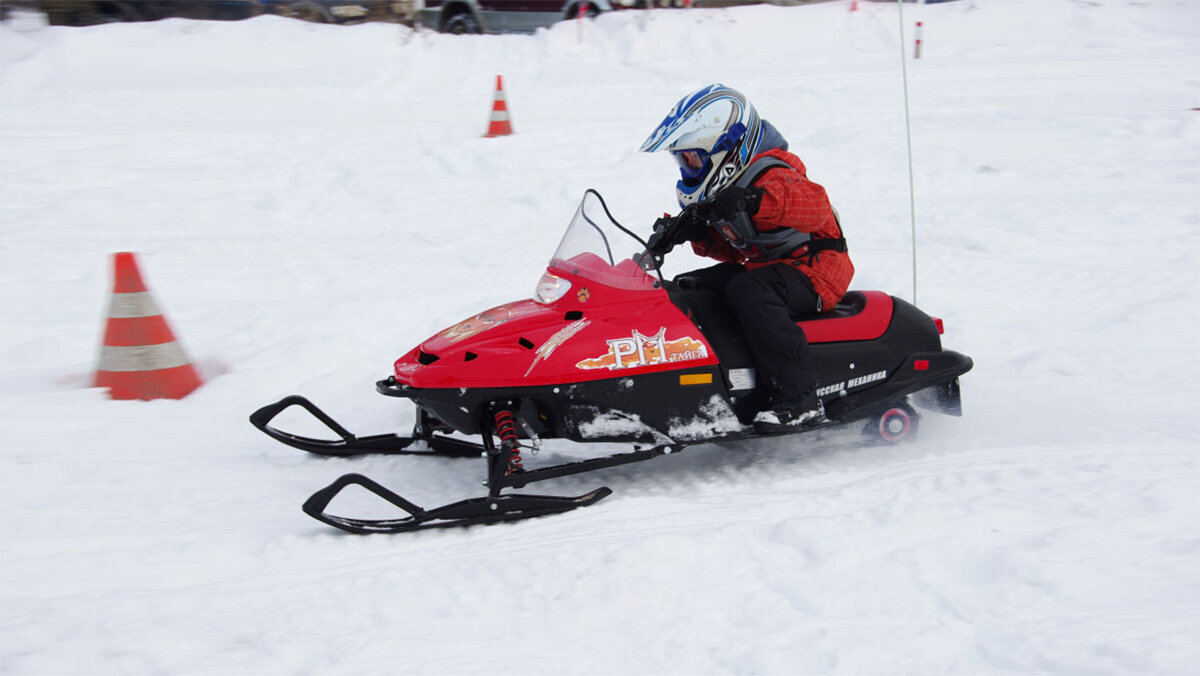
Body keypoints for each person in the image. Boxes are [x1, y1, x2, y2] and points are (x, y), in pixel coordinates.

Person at [640, 84, 853, 432]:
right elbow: (741, 247)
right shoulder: (730, 185)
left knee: (750, 291)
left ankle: (800, 398)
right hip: (770, 268)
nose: (688, 167)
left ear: (725, 149)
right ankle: (721, 384)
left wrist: (755, 201)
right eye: (683, 160)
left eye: (693, 157)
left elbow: (812, 206)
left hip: (817, 272)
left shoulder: (775, 173)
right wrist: (697, 233)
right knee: (692, 287)